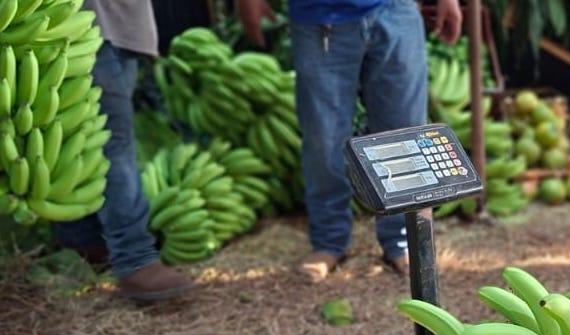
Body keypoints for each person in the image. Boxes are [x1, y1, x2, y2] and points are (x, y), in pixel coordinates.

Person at [237, 0, 462, 282]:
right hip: (320, 17)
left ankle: (404, 240)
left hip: (395, 10)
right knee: (324, 137)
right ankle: (328, 242)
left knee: (405, 132)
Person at [53, 1, 195, 301]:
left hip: (98, 29)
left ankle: (85, 242)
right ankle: (135, 260)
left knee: (71, 142)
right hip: (95, 30)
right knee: (111, 146)